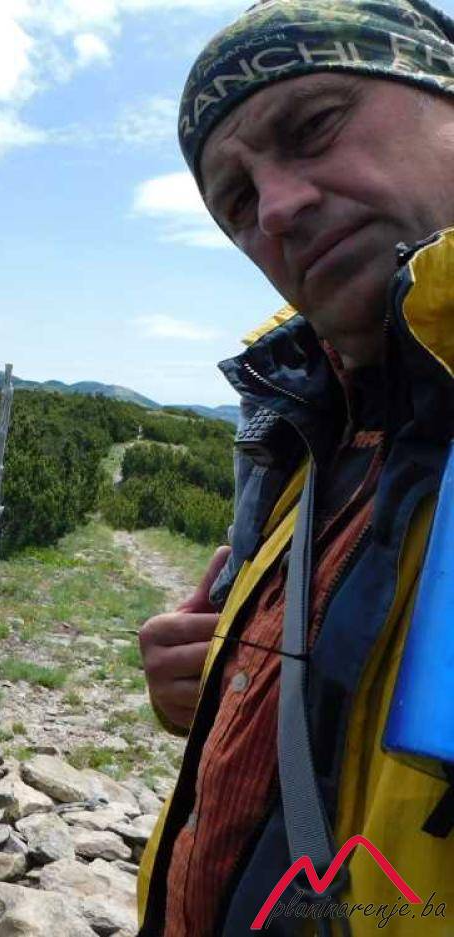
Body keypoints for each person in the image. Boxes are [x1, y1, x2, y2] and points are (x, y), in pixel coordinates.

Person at [135, 1, 454, 935]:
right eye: (237, 202)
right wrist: (225, 681)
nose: (275, 211)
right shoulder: (313, 430)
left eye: (315, 125)